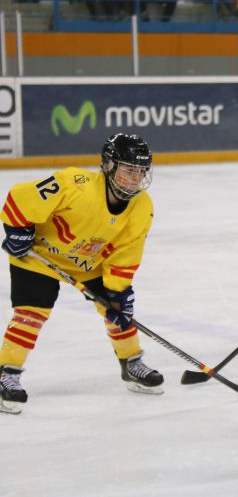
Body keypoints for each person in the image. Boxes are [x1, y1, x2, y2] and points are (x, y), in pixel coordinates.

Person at [0, 134, 162, 415]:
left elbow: (126, 252)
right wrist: (17, 229)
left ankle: (131, 362)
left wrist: (118, 290)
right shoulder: (75, 184)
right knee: (31, 314)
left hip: (88, 263)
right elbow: (21, 197)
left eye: (140, 171)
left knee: (117, 311)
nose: (135, 178)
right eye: (128, 170)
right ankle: (6, 372)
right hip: (39, 256)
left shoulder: (142, 206)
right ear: (109, 166)